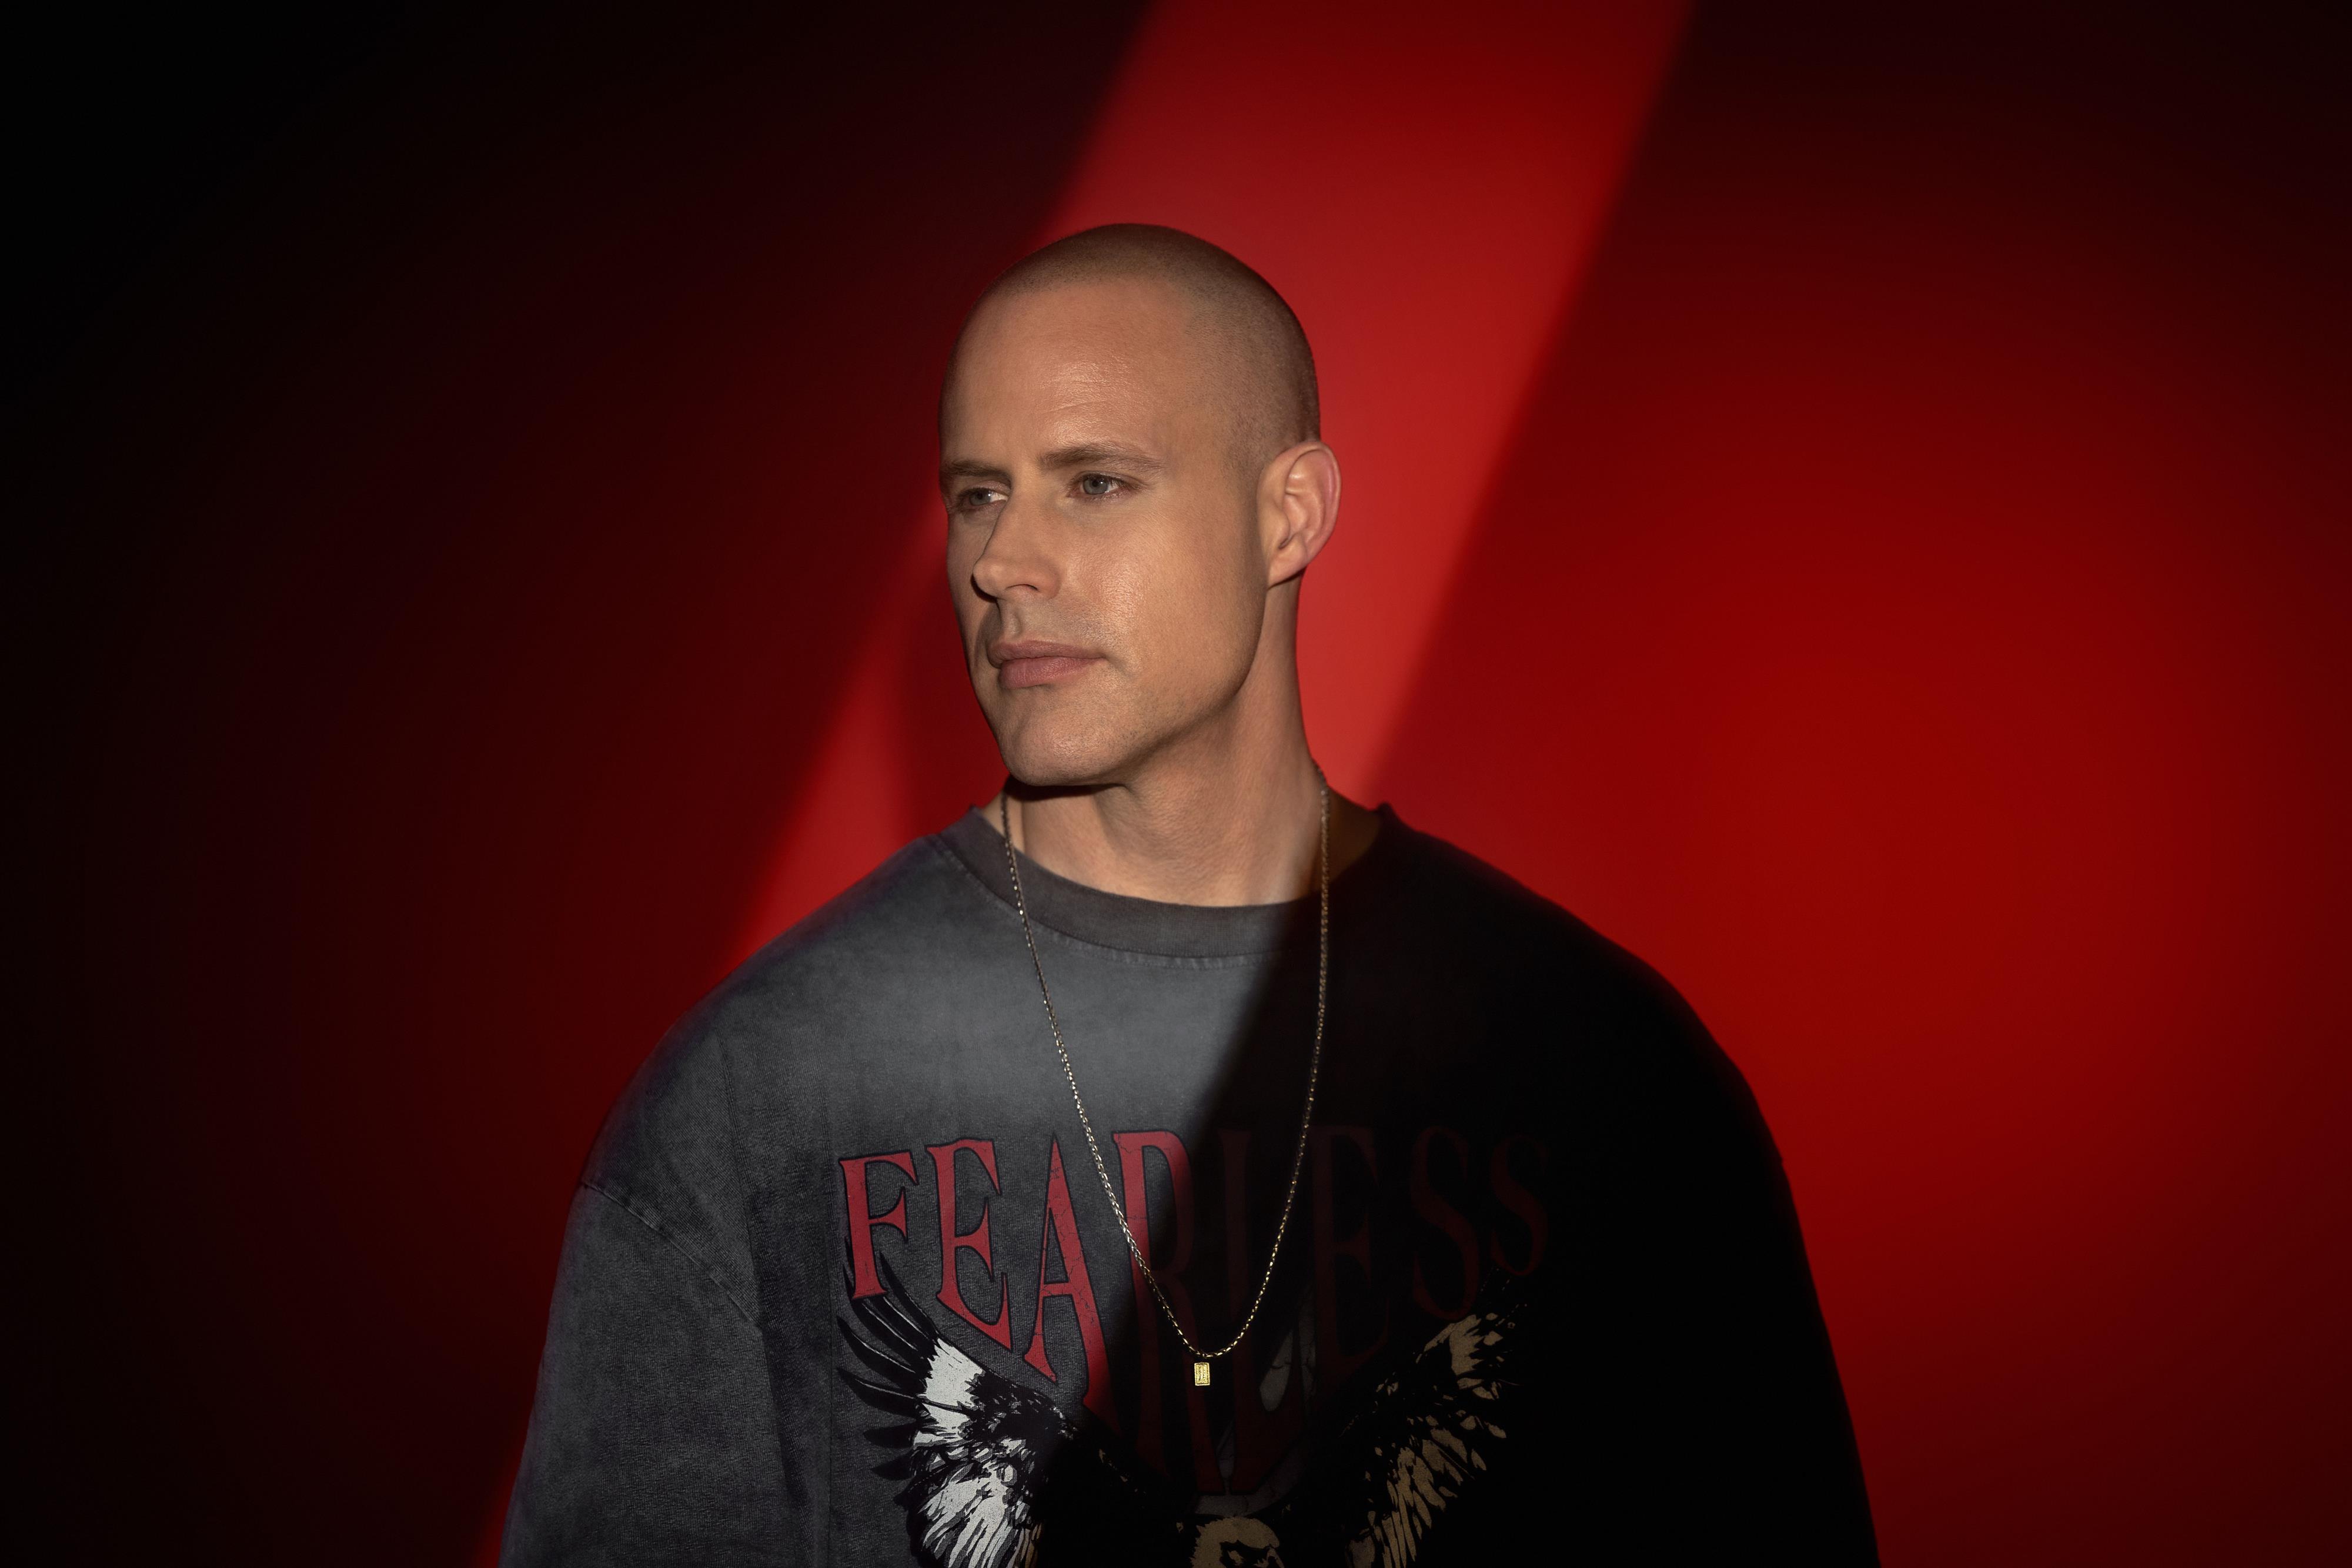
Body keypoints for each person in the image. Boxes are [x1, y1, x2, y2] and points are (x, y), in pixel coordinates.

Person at [502, 223, 1879, 1565]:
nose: (999, 562)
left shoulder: (1602, 1069)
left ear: (1289, 513)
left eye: (1093, 481)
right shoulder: (753, 1096)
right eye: (977, 493)